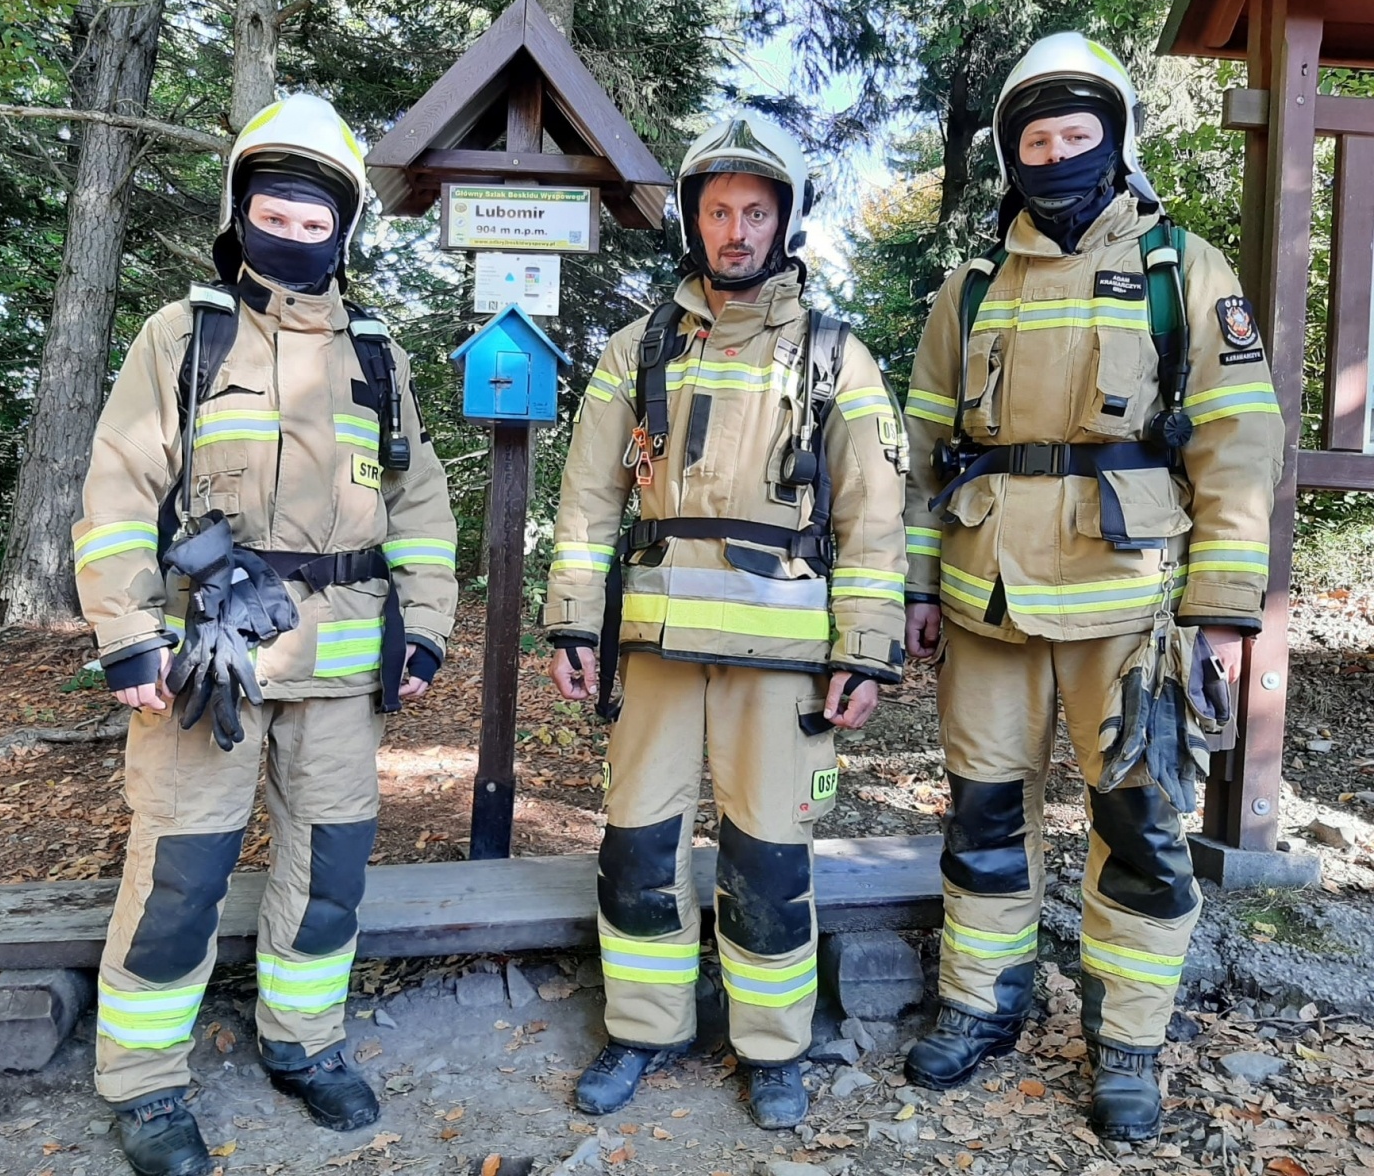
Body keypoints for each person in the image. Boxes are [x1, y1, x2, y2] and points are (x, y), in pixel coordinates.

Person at [898, 34, 1284, 1141]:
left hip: (1132, 605)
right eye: (1036, 139)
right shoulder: (967, 287)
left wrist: (1217, 611)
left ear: (1114, 142)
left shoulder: (1183, 269)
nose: (1056, 154)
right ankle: (981, 1006)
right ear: (1012, 157)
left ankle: (1127, 1039)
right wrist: (918, 588)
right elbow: (923, 453)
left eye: (1077, 136)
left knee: (1140, 826)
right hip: (987, 601)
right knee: (979, 819)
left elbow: (1236, 446)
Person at [72, 93, 458, 1176]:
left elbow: (419, 503)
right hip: (210, 664)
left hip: (340, 672)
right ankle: (146, 1085)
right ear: (241, 215)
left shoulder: (377, 357)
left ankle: (305, 1044)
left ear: (343, 229)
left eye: (312, 220)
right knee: (182, 874)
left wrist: (423, 630)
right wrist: (128, 633)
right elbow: (117, 489)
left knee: (328, 870)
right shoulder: (182, 337)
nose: (293, 237)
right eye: (273, 216)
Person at [543, 111, 909, 1129]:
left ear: (783, 221)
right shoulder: (635, 349)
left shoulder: (838, 359)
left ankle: (773, 1044)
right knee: (638, 849)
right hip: (653, 652)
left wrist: (865, 652)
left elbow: (877, 519)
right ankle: (642, 1029)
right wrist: (576, 626)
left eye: (754, 211)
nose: (735, 230)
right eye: (716, 211)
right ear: (693, 225)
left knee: (766, 860)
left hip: (781, 660)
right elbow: (585, 503)